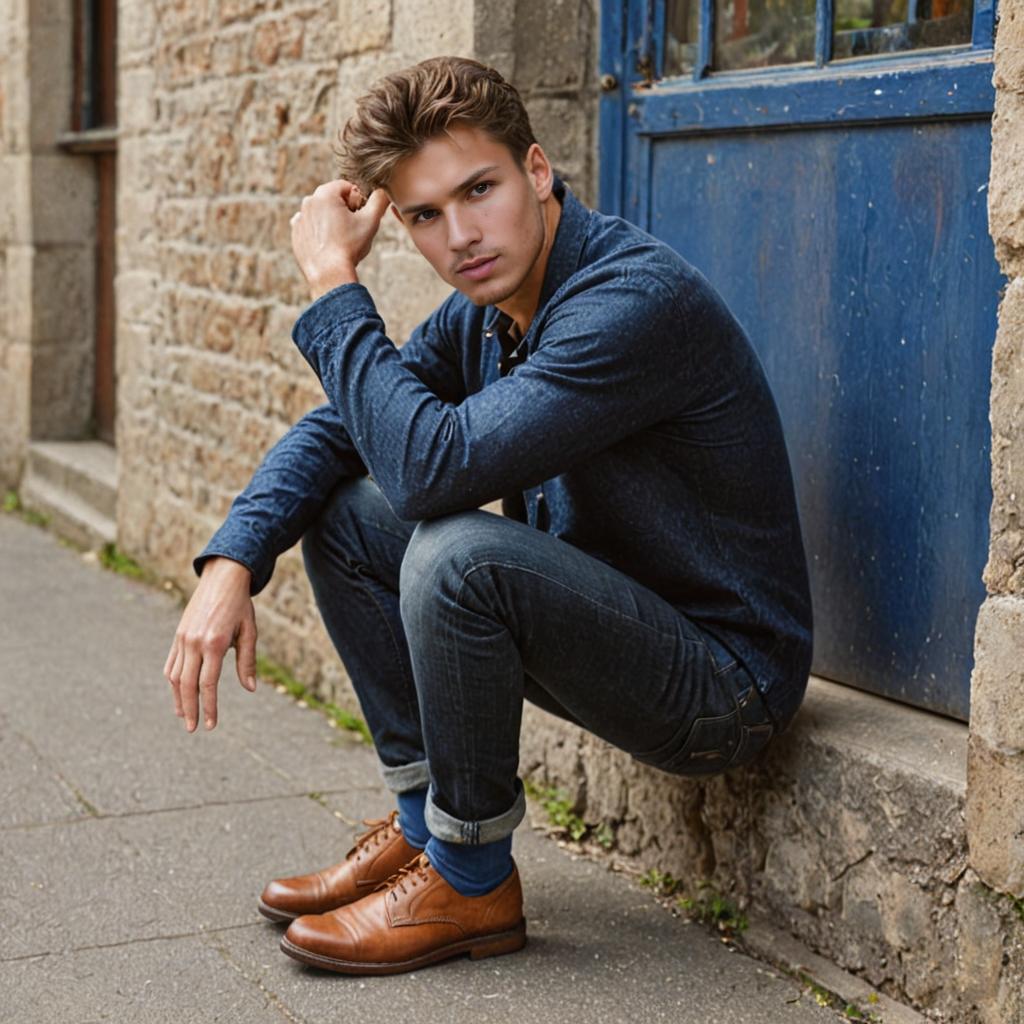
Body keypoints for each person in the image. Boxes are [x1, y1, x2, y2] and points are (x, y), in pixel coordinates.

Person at [163, 55, 812, 976]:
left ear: (537, 172)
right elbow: (342, 436)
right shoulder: (486, 311)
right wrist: (233, 561)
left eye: (481, 190)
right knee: (348, 514)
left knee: (455, 550)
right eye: (425, 214)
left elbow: (436, 475)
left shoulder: (629, 303)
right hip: (618, 626)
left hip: (724, 686)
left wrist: (332, 285)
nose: (461, 235)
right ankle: (431, 830)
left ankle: (471, 881)